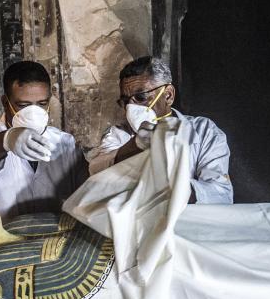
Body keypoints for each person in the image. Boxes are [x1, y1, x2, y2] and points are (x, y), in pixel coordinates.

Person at [87, 56, 233, 204]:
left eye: (140, 96)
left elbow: (221, 194)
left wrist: (173, 191)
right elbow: (97, 170)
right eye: (125, 101)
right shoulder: (119, 135)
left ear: (168, 95)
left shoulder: (204, 131)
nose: (130, 108)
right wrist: (136, 145)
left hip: (191, 222)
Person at [0, 60, 86, 220]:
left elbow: (85, 195)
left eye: (42, 104)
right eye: (24, 105)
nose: (34, 112)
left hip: (51, 242)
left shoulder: (64, 143)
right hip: (0, 241)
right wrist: (6, 140)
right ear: (5, 102)